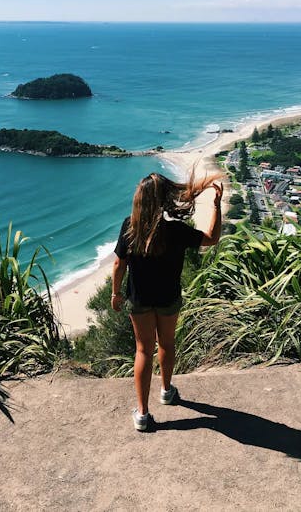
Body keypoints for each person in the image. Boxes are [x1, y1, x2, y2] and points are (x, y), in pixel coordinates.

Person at [111, 171, 223, 431]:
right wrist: (216, 206)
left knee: (142, 351)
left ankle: (142, 413)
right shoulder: (176, 231)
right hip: (169, 298)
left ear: (140, 200)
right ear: (164, 200)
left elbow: (119, 264)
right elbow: (212, 238)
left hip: (139, 301)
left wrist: (116, 293)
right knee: (167, 343)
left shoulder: (130, 226)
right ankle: (166, 391)